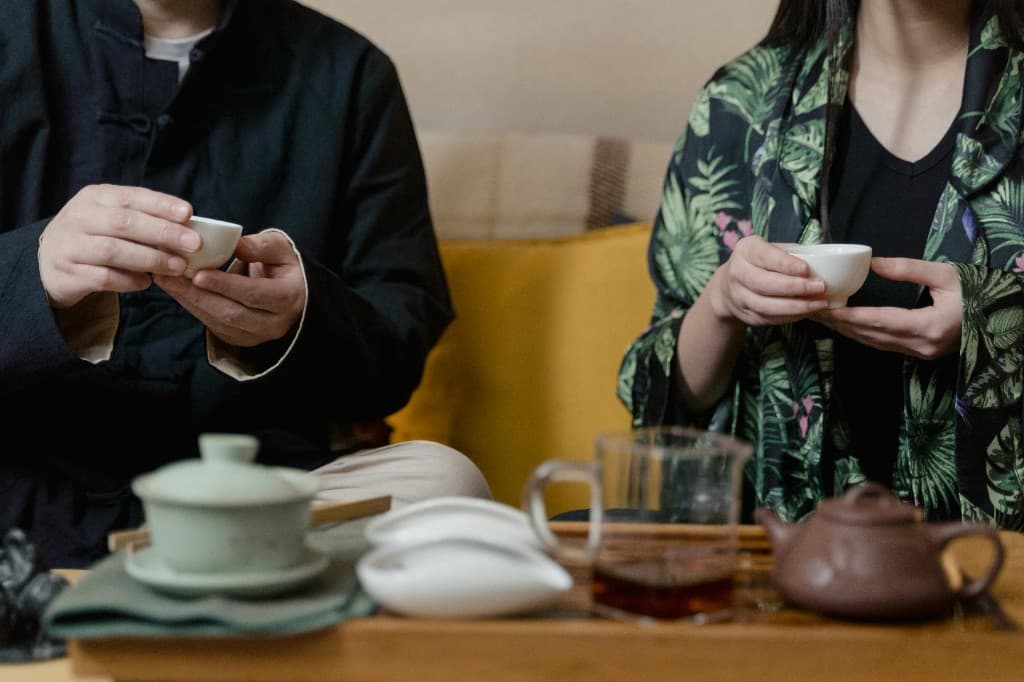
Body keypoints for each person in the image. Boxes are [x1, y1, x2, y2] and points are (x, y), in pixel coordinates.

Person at [0, 0, 491, 568]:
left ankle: (186, 593)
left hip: (260, 502)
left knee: (443, 483)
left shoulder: (351, 75)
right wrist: (33, 269)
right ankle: (221, 615)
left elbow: (398, 340)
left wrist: (300, 320)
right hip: (20, 495)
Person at [619, 0, 1024, 529]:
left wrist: (999, 321)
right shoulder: (739, 105)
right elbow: (664, 412)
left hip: (991, 566)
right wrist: (723, 302)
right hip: (776, 559)